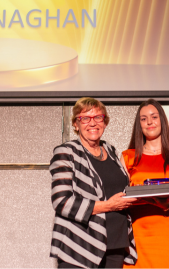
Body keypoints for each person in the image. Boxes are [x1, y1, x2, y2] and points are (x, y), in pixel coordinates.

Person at [49, 97, 137, 268]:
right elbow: (62, 201)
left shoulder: (111, 151)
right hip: (80, 247)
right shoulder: (66, 152)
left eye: (98, 117)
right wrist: (108, 206)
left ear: (105, 122)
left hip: (116, 244)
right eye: (85, 118)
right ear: (76, 124)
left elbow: (121, 191)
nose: (92, 123)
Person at [121, 99, 169, 268]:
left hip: (165, 231)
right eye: (143, 119)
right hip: (135, 231)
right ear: (139, 124)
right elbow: (120, 198)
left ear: (162, 120)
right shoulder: (127, 157)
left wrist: (166, 203)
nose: (149, 122)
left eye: (154, 117)